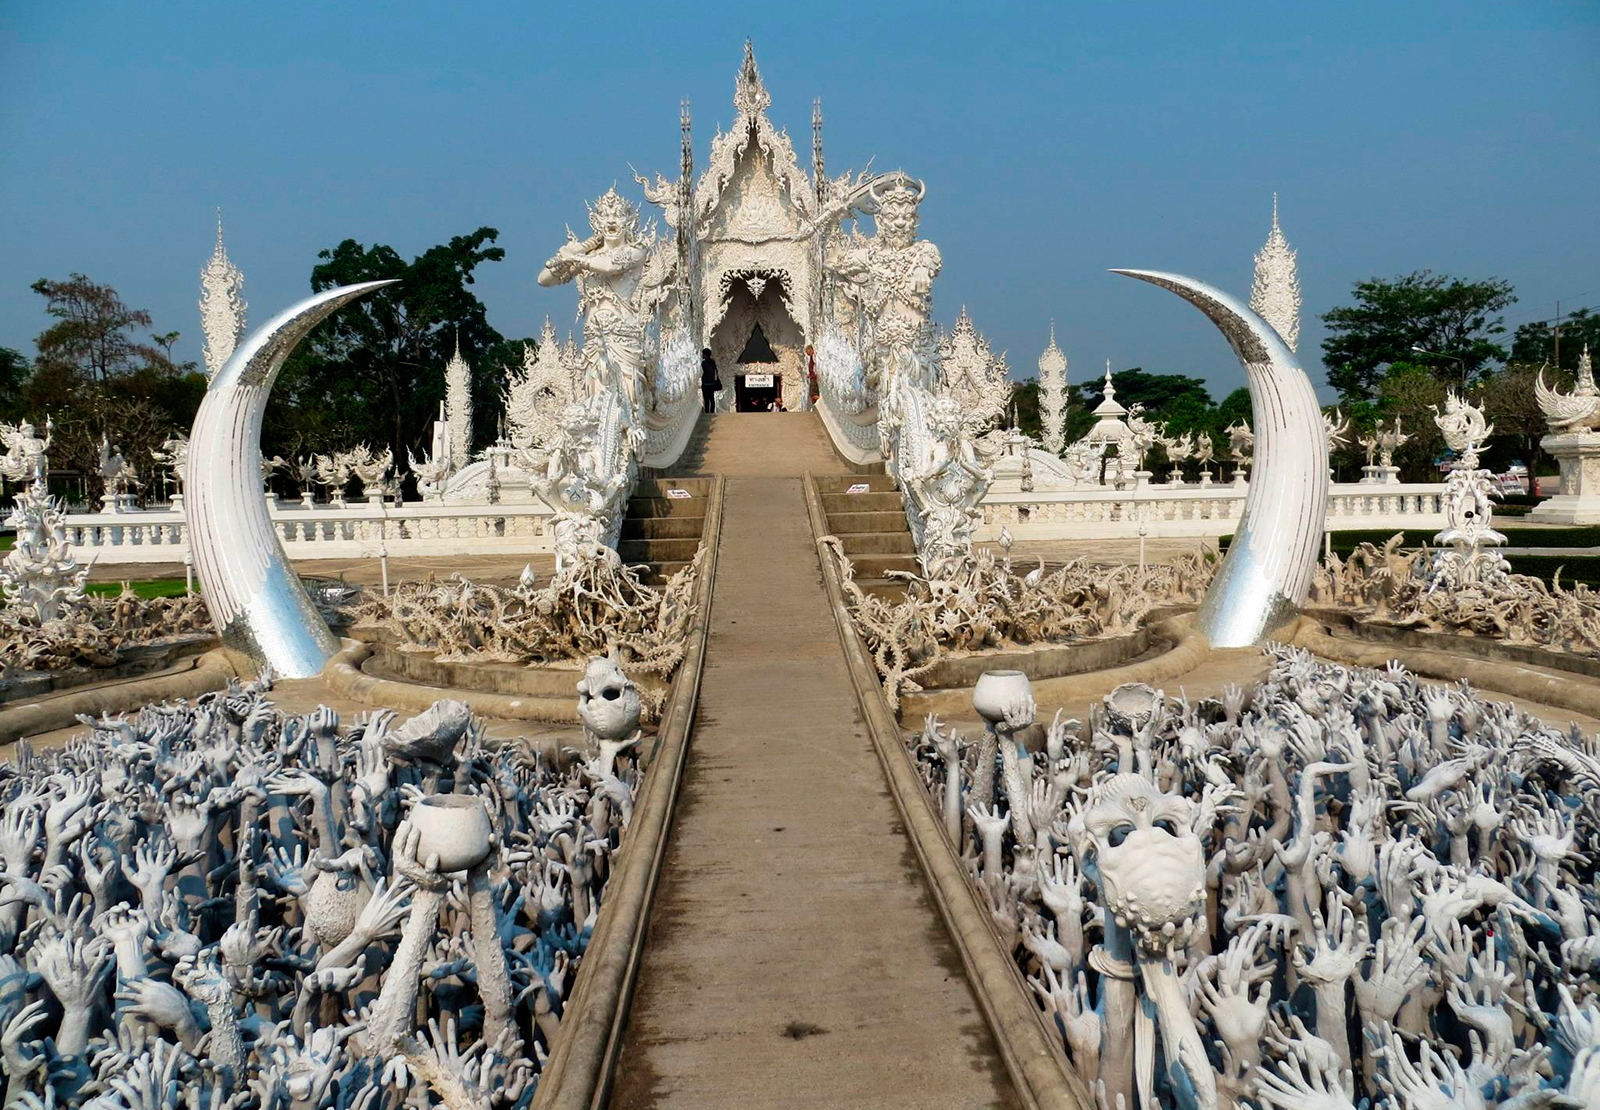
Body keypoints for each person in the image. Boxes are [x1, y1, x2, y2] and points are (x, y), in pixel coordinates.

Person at [700, 348, 720, 413]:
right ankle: (712, 411)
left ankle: (707, 412)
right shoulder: (712, 362)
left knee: (706, 399)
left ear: (705, 355)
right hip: (712, 383)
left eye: (703, 354)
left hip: (705, 383)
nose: (702, 355)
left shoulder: (704, 363)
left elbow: (701, 372)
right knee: (712, 398)